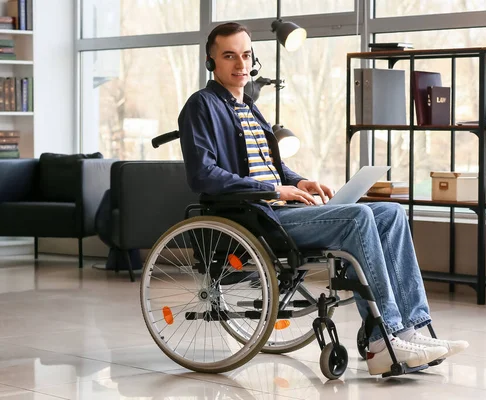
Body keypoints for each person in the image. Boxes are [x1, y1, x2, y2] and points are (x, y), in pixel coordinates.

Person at [178, 22, 468, 376]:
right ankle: (383, 341)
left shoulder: (250, 107)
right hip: (258, 218)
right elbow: (203, 175)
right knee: (357, 218)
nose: (240, 63)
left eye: (246, 54)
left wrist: (301, 181)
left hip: (283, 207)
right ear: (211, 61)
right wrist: (274, 191)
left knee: (390, 212)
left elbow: (273, 166)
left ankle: (411, 329)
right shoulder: (202, 106)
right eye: (229, 56)